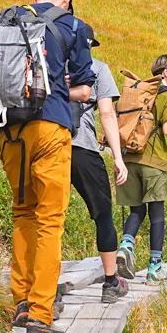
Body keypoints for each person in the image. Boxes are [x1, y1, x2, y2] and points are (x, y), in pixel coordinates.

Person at [0, 0, 94, 333]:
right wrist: (60, 90)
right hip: (50, 129)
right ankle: (40, 315)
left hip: (9, 129)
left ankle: (20, 300)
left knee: (22, 212)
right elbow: (84, 89)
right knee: (50, 221)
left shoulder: (10, 19)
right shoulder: (73, 26)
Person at [116, 53, 167, 282]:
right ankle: (154, 269)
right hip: (154, 162)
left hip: (130, 158)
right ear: (165, 73)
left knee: (136, 210)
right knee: (157, 215)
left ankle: (125, 245)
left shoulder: (140, 92)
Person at [68, 21, 133, 300]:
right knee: (103, 214)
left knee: (44, 217)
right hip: (81, 148)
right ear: (89, 44)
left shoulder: (48, 63)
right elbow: (107, 115)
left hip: (44, 146)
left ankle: (43, 288)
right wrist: (118, 158)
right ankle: (110, 283)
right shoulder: (97, 68)